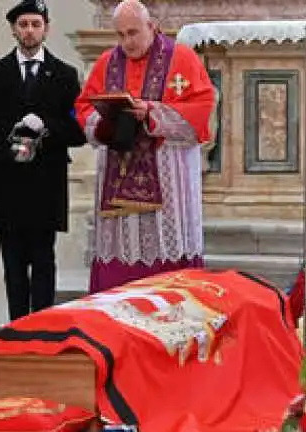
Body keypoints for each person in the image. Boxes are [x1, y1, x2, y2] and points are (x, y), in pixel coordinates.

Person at [74, 0, 215, 293]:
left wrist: (152, 112)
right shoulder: (106, 63)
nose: (127, 42)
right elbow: (83, 108)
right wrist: (104, 123)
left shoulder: (182, 58)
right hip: (118, 179)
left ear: (151, 26)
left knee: (166, 263)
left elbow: (200, 111)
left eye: (133, 33)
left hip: (168, 182)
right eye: (121, 34)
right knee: (121, 263)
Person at [0, 0, 86, 321]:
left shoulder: (64, 74)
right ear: (13, 29)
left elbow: (78, 130)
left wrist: (47, 126)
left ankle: (43, 325)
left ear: (46, 28)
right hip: (7, 183)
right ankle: (18, 325)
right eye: (23, 24)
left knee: (43, 259)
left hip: (44, 183)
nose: (30, 30)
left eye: (36, 24)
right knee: (13, 262)